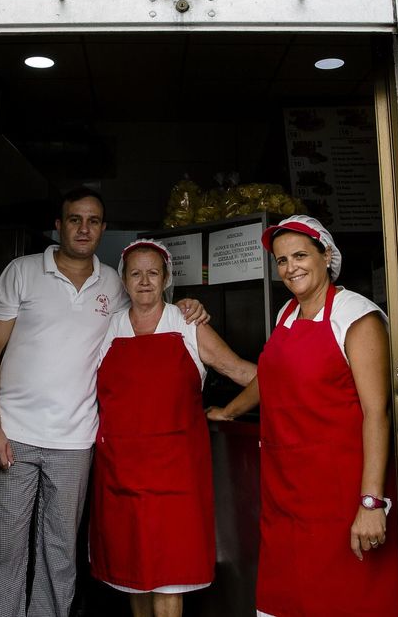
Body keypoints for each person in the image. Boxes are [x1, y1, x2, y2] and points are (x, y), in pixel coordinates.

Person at [0, 188, 208, 617]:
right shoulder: (21, 272)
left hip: (76, 442)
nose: (84, 228)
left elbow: (151, 315)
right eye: (75, 219)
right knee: (3, 551)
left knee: (60, 555)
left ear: (103, 229)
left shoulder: (116, 289)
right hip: (13, 436)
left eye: (94, 220)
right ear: (58, 225)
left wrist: (189, 306)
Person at [208, 215, 398, 617]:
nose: (290, 267)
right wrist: (229, 411)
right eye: (281, 260)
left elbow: (376, 412)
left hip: (340, 492)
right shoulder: (286, 314)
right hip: (286, 491)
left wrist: (371, 501)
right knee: (287, 599)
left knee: (344, 598)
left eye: (299, 255)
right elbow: (270, 378)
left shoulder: (356, 317)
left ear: (326, 255)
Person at [90, 240, 257, 617]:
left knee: (169, 575)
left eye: (153, 273)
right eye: (136, 273)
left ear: (167, 279)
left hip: (176, 474)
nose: (144, 281)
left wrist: (233, 409)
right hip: (121, 472)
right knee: (133, 573)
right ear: (123, 280)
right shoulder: (109, 327)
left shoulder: (185, 322)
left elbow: (242, 372)